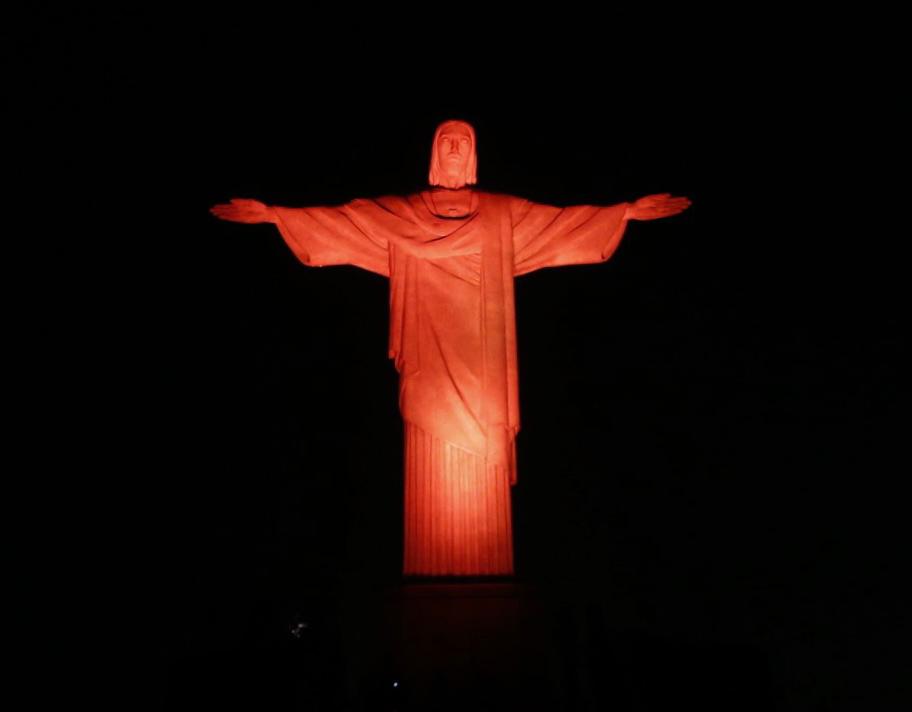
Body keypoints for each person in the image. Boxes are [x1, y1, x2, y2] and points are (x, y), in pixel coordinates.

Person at [210, 119, 690, 576]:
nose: (455, 148)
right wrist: (276, 215)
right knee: (428, 443)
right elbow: (343, 223)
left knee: (482, 459)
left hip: (484, 360)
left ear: (474, 154)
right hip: (428, 360)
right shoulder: (403, 214)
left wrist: (623, 212)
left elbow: (560, 225)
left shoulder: (503, 214)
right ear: (434, 155)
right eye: (447, 140)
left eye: (463, 140)